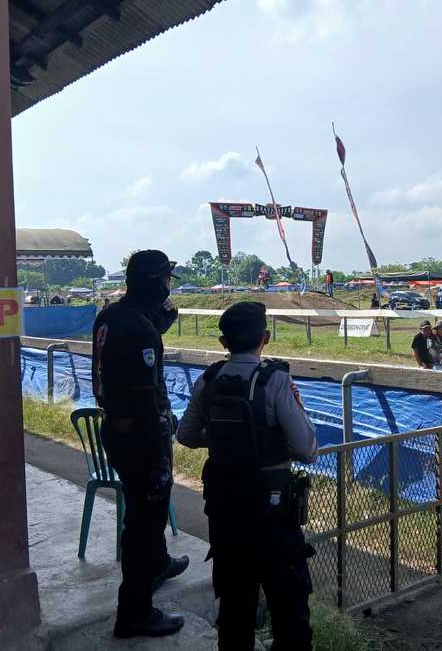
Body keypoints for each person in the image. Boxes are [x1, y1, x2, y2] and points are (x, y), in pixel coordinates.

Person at [177, 301, 318, 650]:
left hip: (224, 510)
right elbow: (306, 448)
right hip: (272, 513)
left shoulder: (209, 379)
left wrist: (227, 438)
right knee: (289, 608)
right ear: (265, 338)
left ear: (223, 343)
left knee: (234, 606)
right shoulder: (276, 380)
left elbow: (186, 435)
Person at [92, 250, 189, 639]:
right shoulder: (140, 330)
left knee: (147, 512)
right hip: (141, 436)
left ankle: (158, 564)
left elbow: (132, 348)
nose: (168, 288)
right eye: (164, 280)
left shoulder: (112, 316)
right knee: (143, 523)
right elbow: (143, 397)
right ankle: (134, 612)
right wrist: (158, 455)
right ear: (154, 283)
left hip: (117, 428)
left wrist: (160, 319)